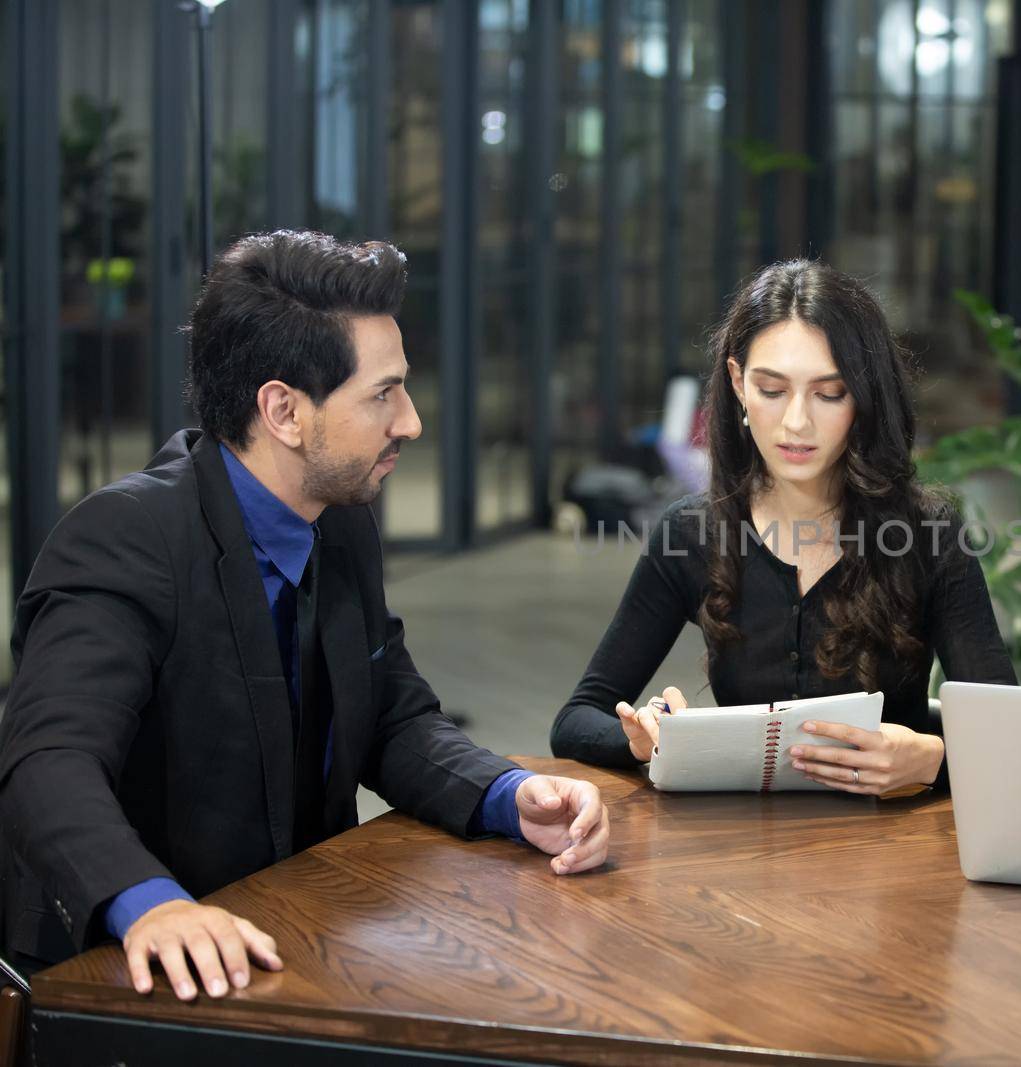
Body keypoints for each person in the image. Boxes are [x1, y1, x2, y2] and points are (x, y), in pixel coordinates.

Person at [0, 231, 610, 999]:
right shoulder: (123, 540)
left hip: (296, 940)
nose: (411, 421)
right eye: (383, 394)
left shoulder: (339, 520)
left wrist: (508, 795)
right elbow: (45, 765)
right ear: (283, 410)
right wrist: (151, 906)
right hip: (117, 977)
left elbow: (393, 718)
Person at [550, 260, 1015, 794]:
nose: (797, 422)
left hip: (891, 850)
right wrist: (640, 738)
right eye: (772, 390)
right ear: (737, 383)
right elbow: (576, 720)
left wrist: (933, 758)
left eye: (829, 393)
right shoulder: (691, 535)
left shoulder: (930, 534)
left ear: (864, 397)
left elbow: (1008, 732)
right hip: (744, 855)